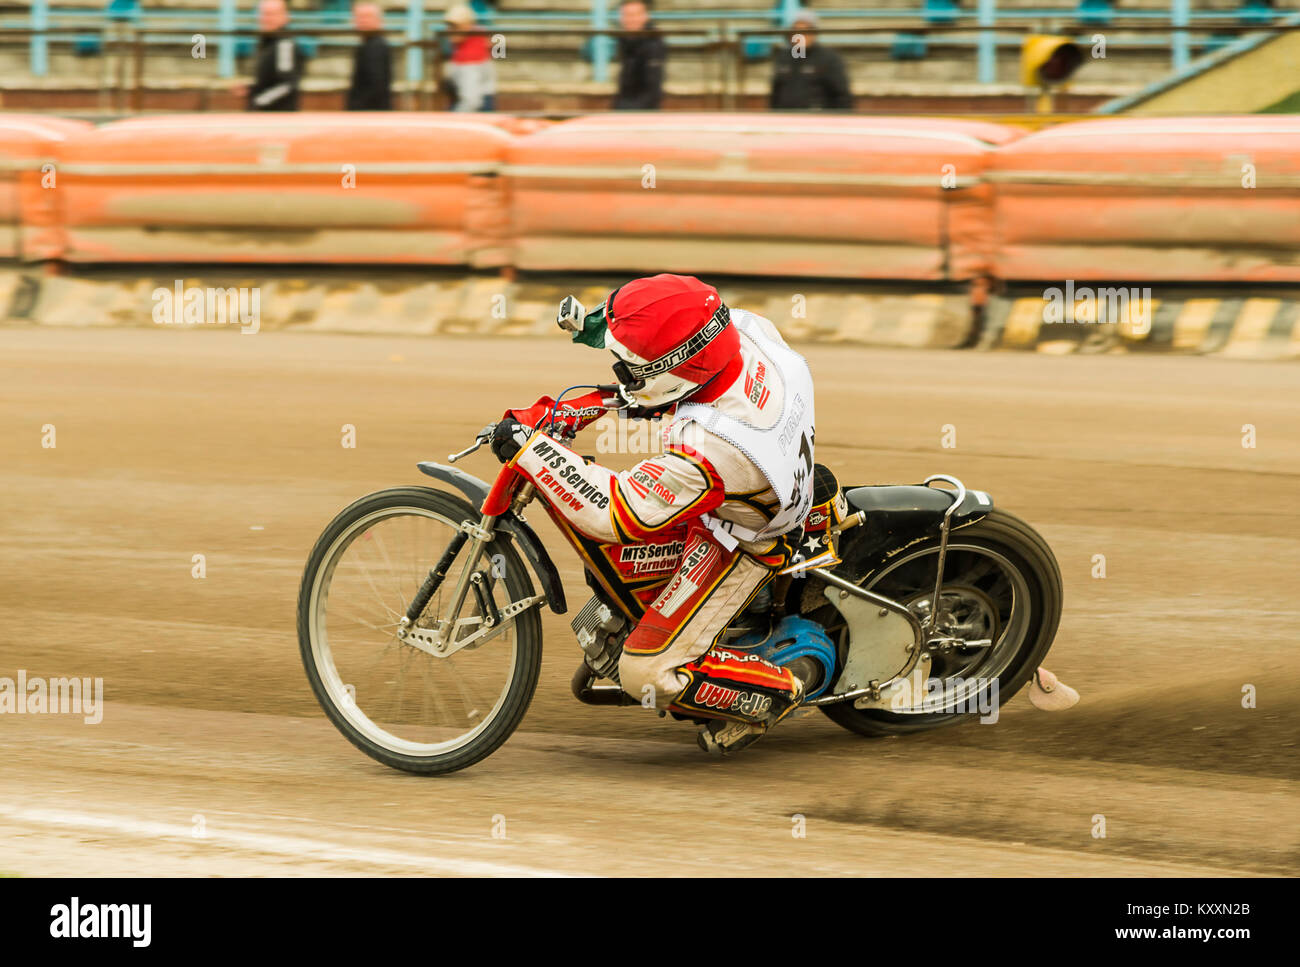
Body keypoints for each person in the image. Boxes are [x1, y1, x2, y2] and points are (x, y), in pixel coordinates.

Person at [487, 275, 832, 754]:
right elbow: (671, 333)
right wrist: (602, 340)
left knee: (643, 671)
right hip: (768, 470)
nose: (622, 373)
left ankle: (775, 692)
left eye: (629, 369)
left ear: (670, 374)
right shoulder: (745, 330)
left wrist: (534, 451)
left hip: (740, 537)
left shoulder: (710, 451)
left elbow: (613, 514)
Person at [769, 8, 852, 111]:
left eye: (804, 31)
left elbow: (842, 96)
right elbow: (775, 94)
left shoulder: (829, 59)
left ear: (814, 33)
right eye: (796, 31)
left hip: (817, 121)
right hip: (786, 119)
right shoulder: (783, 58)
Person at [247, 0, 306, 112]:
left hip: (278, 116)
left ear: (285, 16)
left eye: (271, 14)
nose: (265, 18)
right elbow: (271, 81)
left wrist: (259, 101)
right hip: (266, 115)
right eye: (263, 13)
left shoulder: (285, 45)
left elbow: (287, 84)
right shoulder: (266, 43)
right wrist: (250, 90)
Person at [613, 0, 666, 110]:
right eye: (626, 15)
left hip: (643, 113)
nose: (630, 20)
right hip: (626, 107)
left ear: (645, 16)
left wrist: (623, 112)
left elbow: (652, 91)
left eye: (634, 15)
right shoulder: (625, 40)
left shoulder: (654, 43)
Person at [443, 4, 496, 112]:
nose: (449, 30)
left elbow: (471, 102)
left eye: (455, 26)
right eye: (449, 26)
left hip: (472, 113)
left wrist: (453, 120)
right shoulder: (476, 39)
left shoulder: (469, 59)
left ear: (467, 25)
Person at [345, 2, 392, 110]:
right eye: (359, 17)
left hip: (371, 112)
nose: (362, 21)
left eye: (367, 17)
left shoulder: (376, 46)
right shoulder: (368, 44)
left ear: (379, 20)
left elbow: (376, 85)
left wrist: (356, 107)